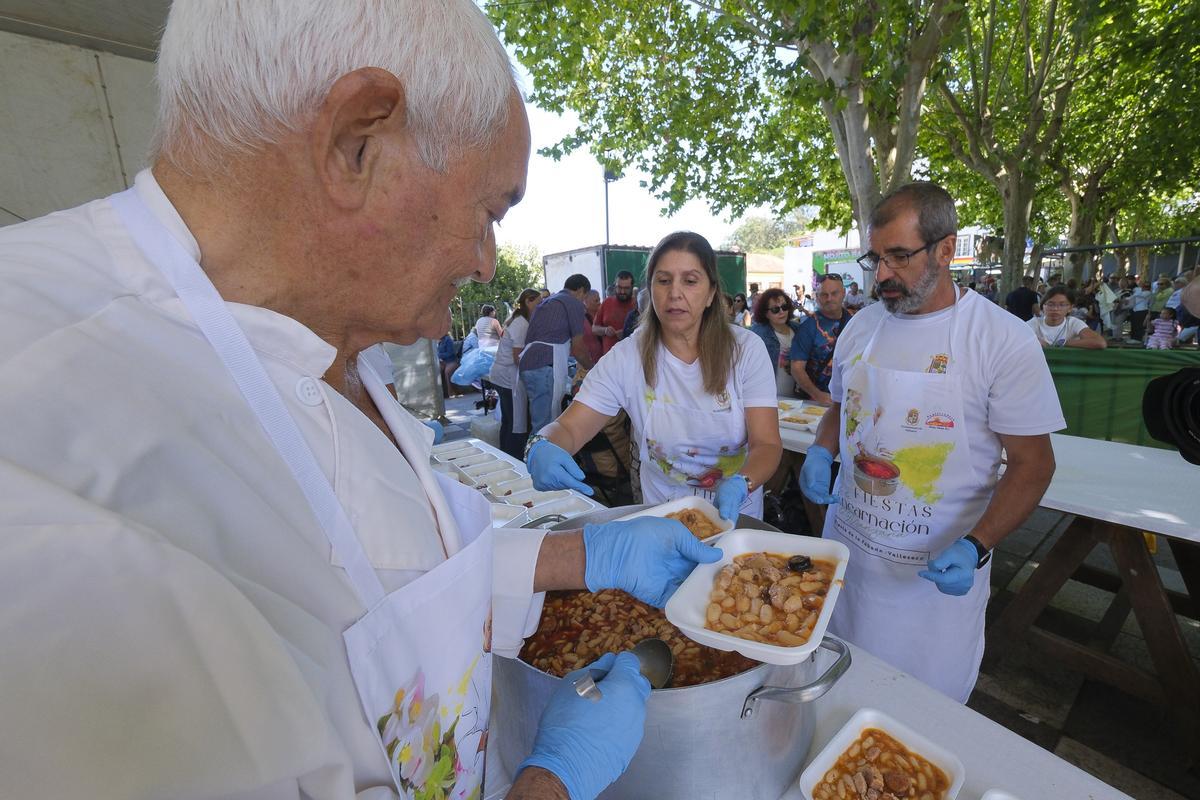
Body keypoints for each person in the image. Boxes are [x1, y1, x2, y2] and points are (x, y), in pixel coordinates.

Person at [0, 4, 724, 799]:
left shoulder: (328, 331)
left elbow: (385, 573)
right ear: (358, 141)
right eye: (490, 212)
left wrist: (587, 556)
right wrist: (552, 783)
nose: (487, 262)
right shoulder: (40, 436)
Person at [800, 182, 1063, 703]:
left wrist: (977, 545)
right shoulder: (861, 328)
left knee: (919, 722)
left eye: (899, 256)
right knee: (831, 697)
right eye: (875, 257)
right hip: (849, 562)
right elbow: (839, 405)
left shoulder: (1001, 339)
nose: (882, 274)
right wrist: (821, 450)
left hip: (931, 585)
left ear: (946, 248)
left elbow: (1034, 465)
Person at [526, 231, 782, 521]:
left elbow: (768, 444)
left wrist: (742, 482)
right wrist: (541, 446)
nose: (675, 293)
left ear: (711, 293)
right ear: (650, 291)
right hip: (661, 516)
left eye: (690, 280)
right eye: (664, 280)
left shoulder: (745, 351)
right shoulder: (628, 356)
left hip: (735, 514)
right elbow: (570, 428)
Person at [516, 273, 596, 439]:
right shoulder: (573, 303)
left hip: (529, 365)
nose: (583, 301)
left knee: (540, 422)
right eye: (585, 297)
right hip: (544, 366)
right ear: (581, 290)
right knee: (544, 427)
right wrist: (594, 370)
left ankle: (539, 460)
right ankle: (537, 462)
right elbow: (578, 347)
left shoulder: (548, 301)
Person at [488, 288, 541, 458]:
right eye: (538, 302)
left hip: (502, 375)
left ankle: (505, 454)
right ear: (528, 301)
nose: (540, 306)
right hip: (507, 377)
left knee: (509, 420)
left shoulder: (518, 320)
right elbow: (518, 357)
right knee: (516, 422)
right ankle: (514, 457)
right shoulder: (521, 324)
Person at [789, 273, 848, 404]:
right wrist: (818, 395)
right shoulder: (808, 327)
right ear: (817, 297)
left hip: (851, 400)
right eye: (824, 294)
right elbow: (797, 368)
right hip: (819, 402)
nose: (829, 298)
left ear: (843, 293)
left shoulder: (856, 321)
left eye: (834, 293)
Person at [749, 287, 805, 397]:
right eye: (775, 309)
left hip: (796, 398)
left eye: (784, 307)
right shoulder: (758, 333)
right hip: (767, 397)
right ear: (765, 313)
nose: (781, 312)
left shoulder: (798, 329)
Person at [1029, 286, 1107, 349]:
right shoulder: (1034, 323)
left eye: (1062, 305)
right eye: (1050, 304)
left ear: (1070, 308)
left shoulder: (1073, 323)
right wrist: (1034, 341)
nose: (1056, 309)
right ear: (1042, 306)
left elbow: (1100, 342)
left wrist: (1063, 343)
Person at [593, 269, 637, 355]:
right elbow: (594, 328)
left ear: (632, 287)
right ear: (615, 286)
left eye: (626, 288)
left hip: (632, 356)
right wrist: (605, 330)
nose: (622, 292)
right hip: (609, 357)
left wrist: (627, 333)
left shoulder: (638, 304)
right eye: (619, 287)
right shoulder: (607, 302)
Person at [582, 288, 604, 365]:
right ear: (586, 302)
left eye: (599, 300)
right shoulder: (579, 319)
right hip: (589, 362)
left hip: (602, 359)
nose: (599, 303)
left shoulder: (602, 315)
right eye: (596, 301)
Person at [437, 333, 460, 397]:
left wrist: (439, 355)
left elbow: (450, 353)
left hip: (451, 361)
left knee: (448, 371)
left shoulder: (448, 340)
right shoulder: (439, 341)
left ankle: (452, 392)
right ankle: (440, 394)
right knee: (436, 370)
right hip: (443, 361)